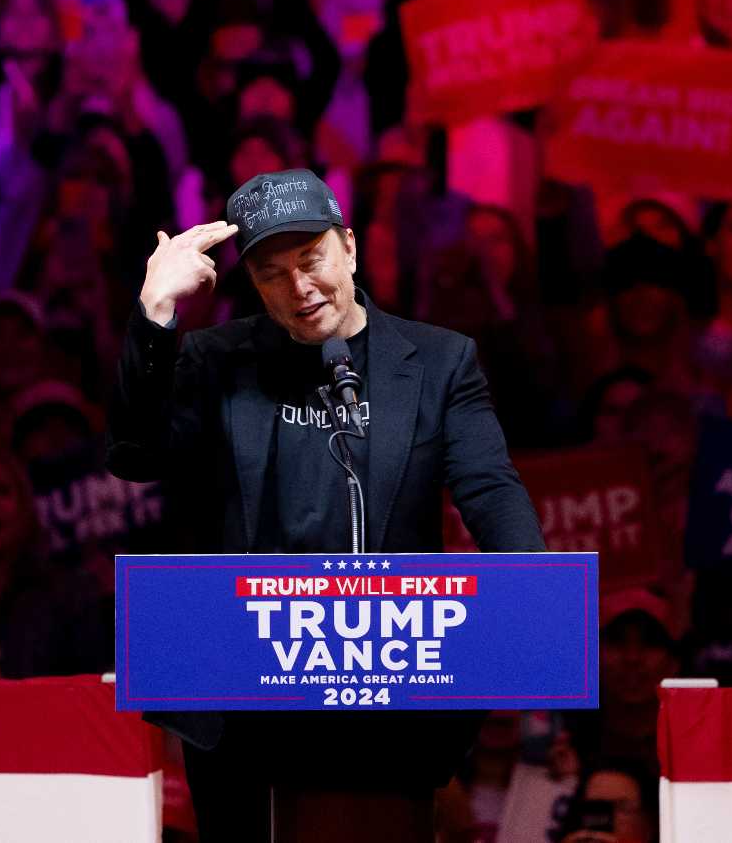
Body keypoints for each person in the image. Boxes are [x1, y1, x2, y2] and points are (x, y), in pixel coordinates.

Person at [107, 168, 545, 841]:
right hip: (240, 707)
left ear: (350, 246)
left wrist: (534, 599)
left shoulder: (437, 362)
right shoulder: (214, 361)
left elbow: (489, 489)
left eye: (311, 259)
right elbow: (137, 454)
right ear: (252, 284)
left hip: (396, 694)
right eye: (272, 273)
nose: (300, 287)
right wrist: (155, 316)